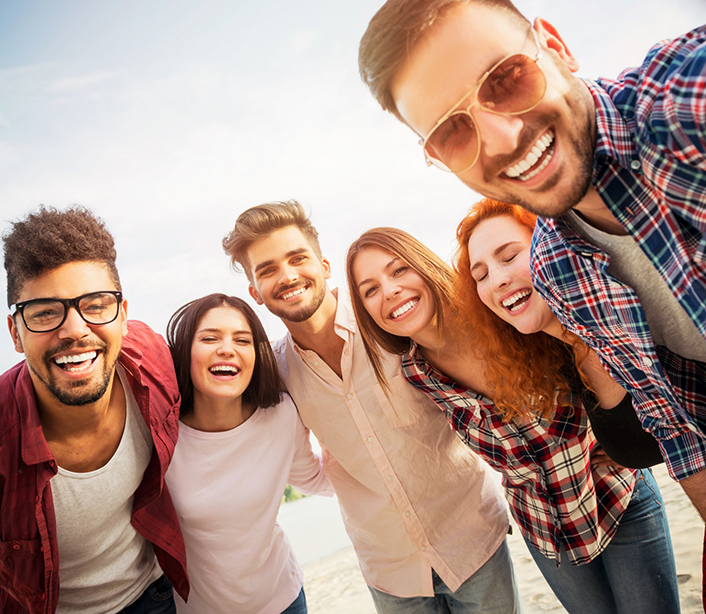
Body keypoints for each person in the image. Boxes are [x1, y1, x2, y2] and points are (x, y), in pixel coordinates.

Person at [358, 0, 706, 519]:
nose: (502, 136)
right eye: (452, 132)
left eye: (506, 78)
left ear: (556, 46)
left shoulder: (678, 114)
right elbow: (681, 435)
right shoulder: (557, 269)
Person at [346, 221, 680, 614]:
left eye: (398, 269)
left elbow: (591, 350)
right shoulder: (418, 374)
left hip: (616, 499)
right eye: (370, 290)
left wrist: (617, 436)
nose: (390, 290)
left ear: (424, 266)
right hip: (546, 533)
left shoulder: (501, 315)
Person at [222, 200, 521, 614]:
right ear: (255, 292)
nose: (287, 276)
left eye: (297, 258)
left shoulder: (391, 317)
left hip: (472, 539)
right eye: (268, 269)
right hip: (389, 570)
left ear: (324, 266)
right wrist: (358, 483)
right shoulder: (275, 371)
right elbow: (299, 467)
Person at [1, 205, 188, 614]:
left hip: (155, 595)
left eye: (96, 304)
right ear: (16, 332)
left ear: (123, 316)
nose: (75, 330)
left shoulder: (152, 363)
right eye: (45, 312)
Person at [164, 293, 332, 614]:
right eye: (210, 338)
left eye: (242, 340)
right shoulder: (162, 436)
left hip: (283, 599)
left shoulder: (281, 416)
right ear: (185, 351)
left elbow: (313, 478)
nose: (227, 348)